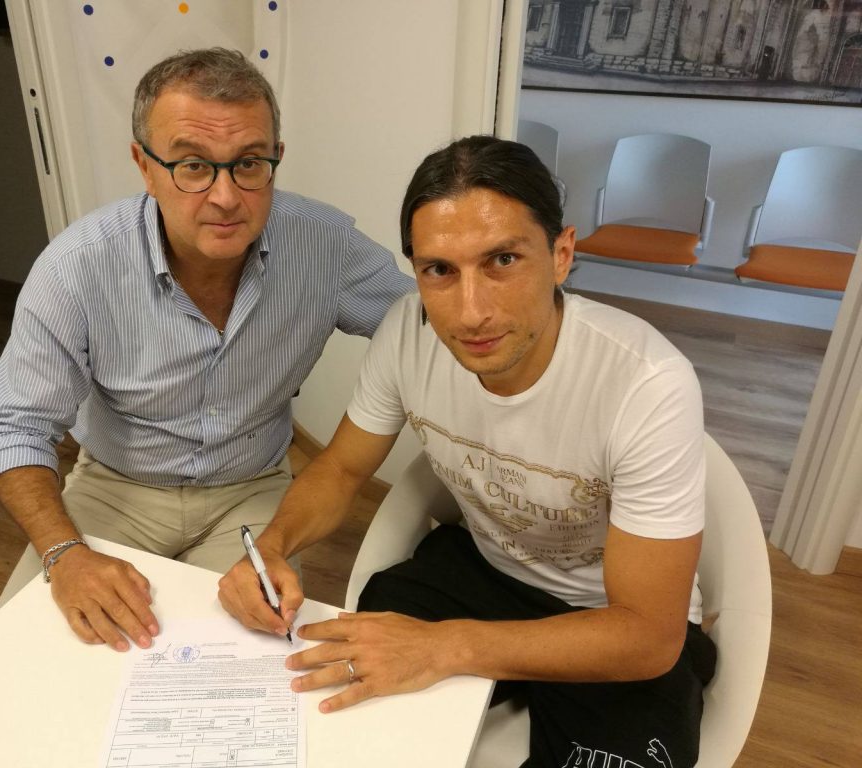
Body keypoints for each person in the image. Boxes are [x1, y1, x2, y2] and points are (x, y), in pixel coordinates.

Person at [218, 136, 717, 768]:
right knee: (344, 727)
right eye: (439, 271)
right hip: (482, 574)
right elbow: (342, 467)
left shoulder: (646, 383)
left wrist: (446, 647)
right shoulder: (407, 332)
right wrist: (271, 547)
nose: (471, 312)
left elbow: (648, 634)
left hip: (607, 617)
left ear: (562, 254)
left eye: (503, 260)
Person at [0, 48, 413, 654]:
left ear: (276, 158)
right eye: (192, 165)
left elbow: (428, 328)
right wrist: (64, 553)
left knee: (248, 664)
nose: (225, 196)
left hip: (252, 488)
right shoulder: (78, 265)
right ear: (145, 165)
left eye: (249, 163)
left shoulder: (325, 246)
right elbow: (15, 430)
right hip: (116, 486)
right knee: (23, 654)